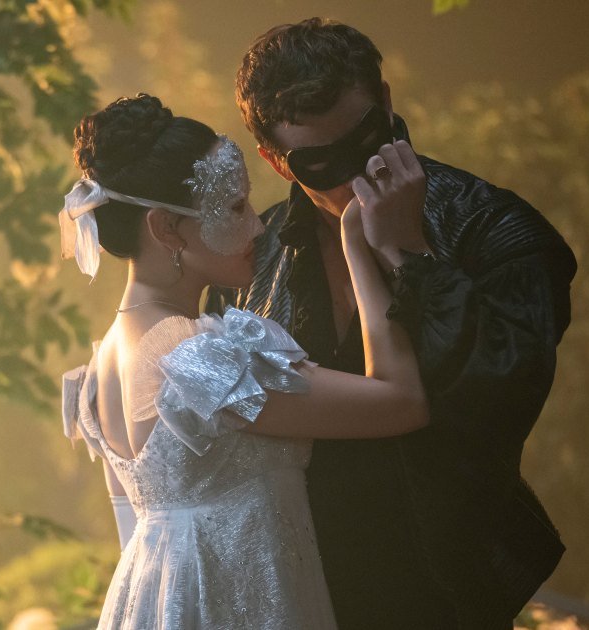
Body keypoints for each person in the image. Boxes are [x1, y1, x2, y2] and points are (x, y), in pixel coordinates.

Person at [211, 17, 578, 628]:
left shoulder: (495, 228)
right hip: (300, 583)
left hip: (445, 585)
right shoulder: (251, 257)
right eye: (321, 163)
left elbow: (503, 395)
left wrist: (411, 257)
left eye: (366, 141)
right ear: (276, 162)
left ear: (386, 103)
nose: (355, 174)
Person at [59, 93, 431, 629]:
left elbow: (131, 534)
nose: (258, 227)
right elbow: (402, 403)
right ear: (165, 229)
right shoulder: (198, 360)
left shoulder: (101, 370)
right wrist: (357, 242)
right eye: (234, 209)